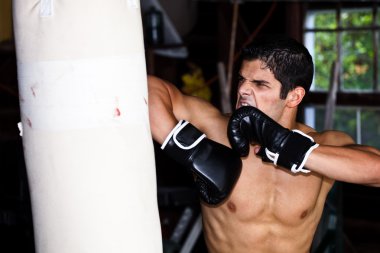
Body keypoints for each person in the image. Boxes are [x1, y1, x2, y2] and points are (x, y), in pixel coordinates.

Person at [148, 34, 380, 253]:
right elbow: (145, 87)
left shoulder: (322, 143)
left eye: (259, 84)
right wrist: (194, 150)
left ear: (294, 96)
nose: (242, 90)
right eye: (242, 80)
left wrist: (293, 150)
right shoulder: (215, 129)